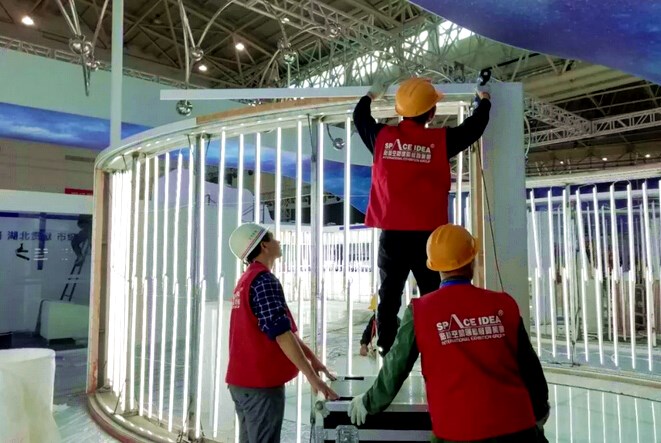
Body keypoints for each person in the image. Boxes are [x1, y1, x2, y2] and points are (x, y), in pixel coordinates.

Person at [347, 224, 550, 443]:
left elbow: (396, 367)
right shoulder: (504, 304)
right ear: (472, 260)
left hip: (457, 434)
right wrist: (539, 411)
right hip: (519, 429)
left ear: (433, 266)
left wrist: (369, 402)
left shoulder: (420, 312)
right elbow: (530, 368)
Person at [353, 77, 492, 355]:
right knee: (433, 293)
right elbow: (474, 128)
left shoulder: (382, 138)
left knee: (389, 295)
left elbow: (360, 117)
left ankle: (385, 349)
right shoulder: (440, 141)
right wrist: (484, 100)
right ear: (431, 113)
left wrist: (370, 95)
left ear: (400, 111)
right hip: (429, 239)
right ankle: (438, 348)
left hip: (392, 235)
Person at [226, 223, 339, 443]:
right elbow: (281, 334)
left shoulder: (246, 281)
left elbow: (282, 329)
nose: (279, 242)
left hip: (242, 382)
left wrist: (313, 360)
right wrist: (313, 378)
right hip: (260, 385)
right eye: (273, 238)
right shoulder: (264, 281)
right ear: (264, 245)